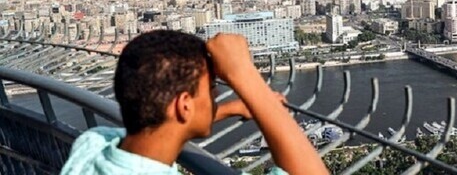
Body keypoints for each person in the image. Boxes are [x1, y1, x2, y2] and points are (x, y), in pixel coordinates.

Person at [61, 30, 329, 175]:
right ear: (184, 105)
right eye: (211, 88)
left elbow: (159, 123)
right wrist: (246, 78)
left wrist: (231, 108)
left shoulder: (91, 146)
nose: (216, 94)